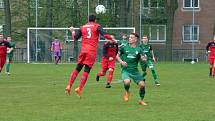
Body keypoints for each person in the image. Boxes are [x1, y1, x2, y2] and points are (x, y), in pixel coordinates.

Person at [65, 14, 114, 97]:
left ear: (88, 20)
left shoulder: (82, 27)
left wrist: (73, 31)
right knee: (86, 70)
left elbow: (75, 38)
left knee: (78, 68)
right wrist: (111, 38)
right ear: (95, 20)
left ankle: (69, 85)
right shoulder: (97, 26)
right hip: (91, 51)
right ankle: (79, 88)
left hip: (83, 50)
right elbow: (105, 35)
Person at [116, 33, 147, 105]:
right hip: (126, 70)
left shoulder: (139, 49)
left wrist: (144, 59)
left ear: (135, 39)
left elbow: (144, 58)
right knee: (127, 82)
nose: (129, 38)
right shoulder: (124, 48)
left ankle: (141, 100)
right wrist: (121, 62)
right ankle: (127, 92)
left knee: (142, 85)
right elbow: (116, 55)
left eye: (131, 37)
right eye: (129, 37)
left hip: (135, 71)